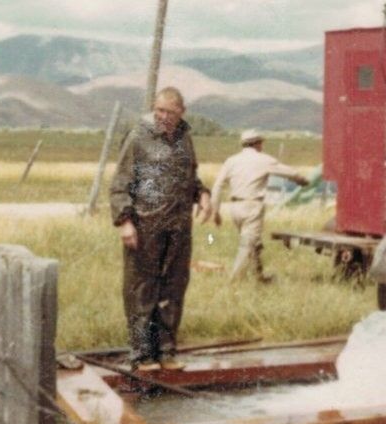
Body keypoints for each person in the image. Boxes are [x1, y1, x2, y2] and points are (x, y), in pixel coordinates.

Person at [110, 87, 210, 370]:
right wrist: (124, 221)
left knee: (173, 288)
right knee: (141, 289)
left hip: (178, 227)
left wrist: (202, 194)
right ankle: (142, 354)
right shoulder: (138, 137)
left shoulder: (184, 138)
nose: (163, 116)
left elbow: (191, 177)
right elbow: (120, 183)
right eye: (159, 111)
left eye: (170, 112)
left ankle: (166, 351)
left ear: (182, 112)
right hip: (144, 226)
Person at [203, 129, 309, 282]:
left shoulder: (231, 160)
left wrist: (216, 211)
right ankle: (235, 280)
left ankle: (258, 276)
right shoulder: (264, 159)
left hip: (234, 208)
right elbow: (290, 173)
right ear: (258, 143)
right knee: (248, 244)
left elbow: (218, 185)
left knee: (253, 243)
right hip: (252, 206)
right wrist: (302, 181)